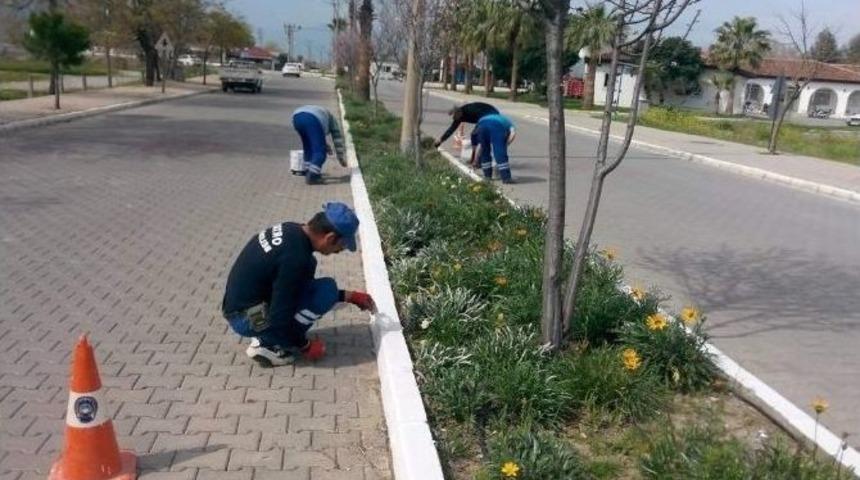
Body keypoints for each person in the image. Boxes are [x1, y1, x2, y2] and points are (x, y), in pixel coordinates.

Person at [221, 202, 377, 367]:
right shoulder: (295, 259)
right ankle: (267, 344)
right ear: (330, 238)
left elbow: (292, 289)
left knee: (311, 268)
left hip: (241, 308)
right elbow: (280, 316)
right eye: (342, 245)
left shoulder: (292, 230)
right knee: (325, 292)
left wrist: (349, 296)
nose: (339, 251)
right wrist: (305, 346)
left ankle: (267, 333)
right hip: (246, 318)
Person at [292, 105, 347, 185]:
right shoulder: (333, 122)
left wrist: (324, 144)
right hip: (312, 119)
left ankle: (308, 170)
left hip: (296, 118)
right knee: (320, 153)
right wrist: (340, 158)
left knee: (308, 148)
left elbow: (316, 138)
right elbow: (337, 140)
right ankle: (312, 176)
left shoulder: (324, 116)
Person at [471, 113, 516, 184]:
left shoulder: (485, 119)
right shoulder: (509, 123)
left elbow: (479, 145)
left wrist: (475, 160)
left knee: (484, 152)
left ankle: (487, 177)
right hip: (496, 126)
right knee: (499, 152)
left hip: (481, 126)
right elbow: (513, 134)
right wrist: (506, 144)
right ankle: (506, 178)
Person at [434, 101, 499, 148]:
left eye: (455, 117)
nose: (454, 119)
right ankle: (477, 156)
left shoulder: (470, 109)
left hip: (490, 114)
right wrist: (441, 140)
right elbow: (451, 129)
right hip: (485, 117)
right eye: (454, 118)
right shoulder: (459, 117)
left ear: (458, 112)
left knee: (475, 134)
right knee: (476, 136)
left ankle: (476, 159)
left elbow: (481, 118)